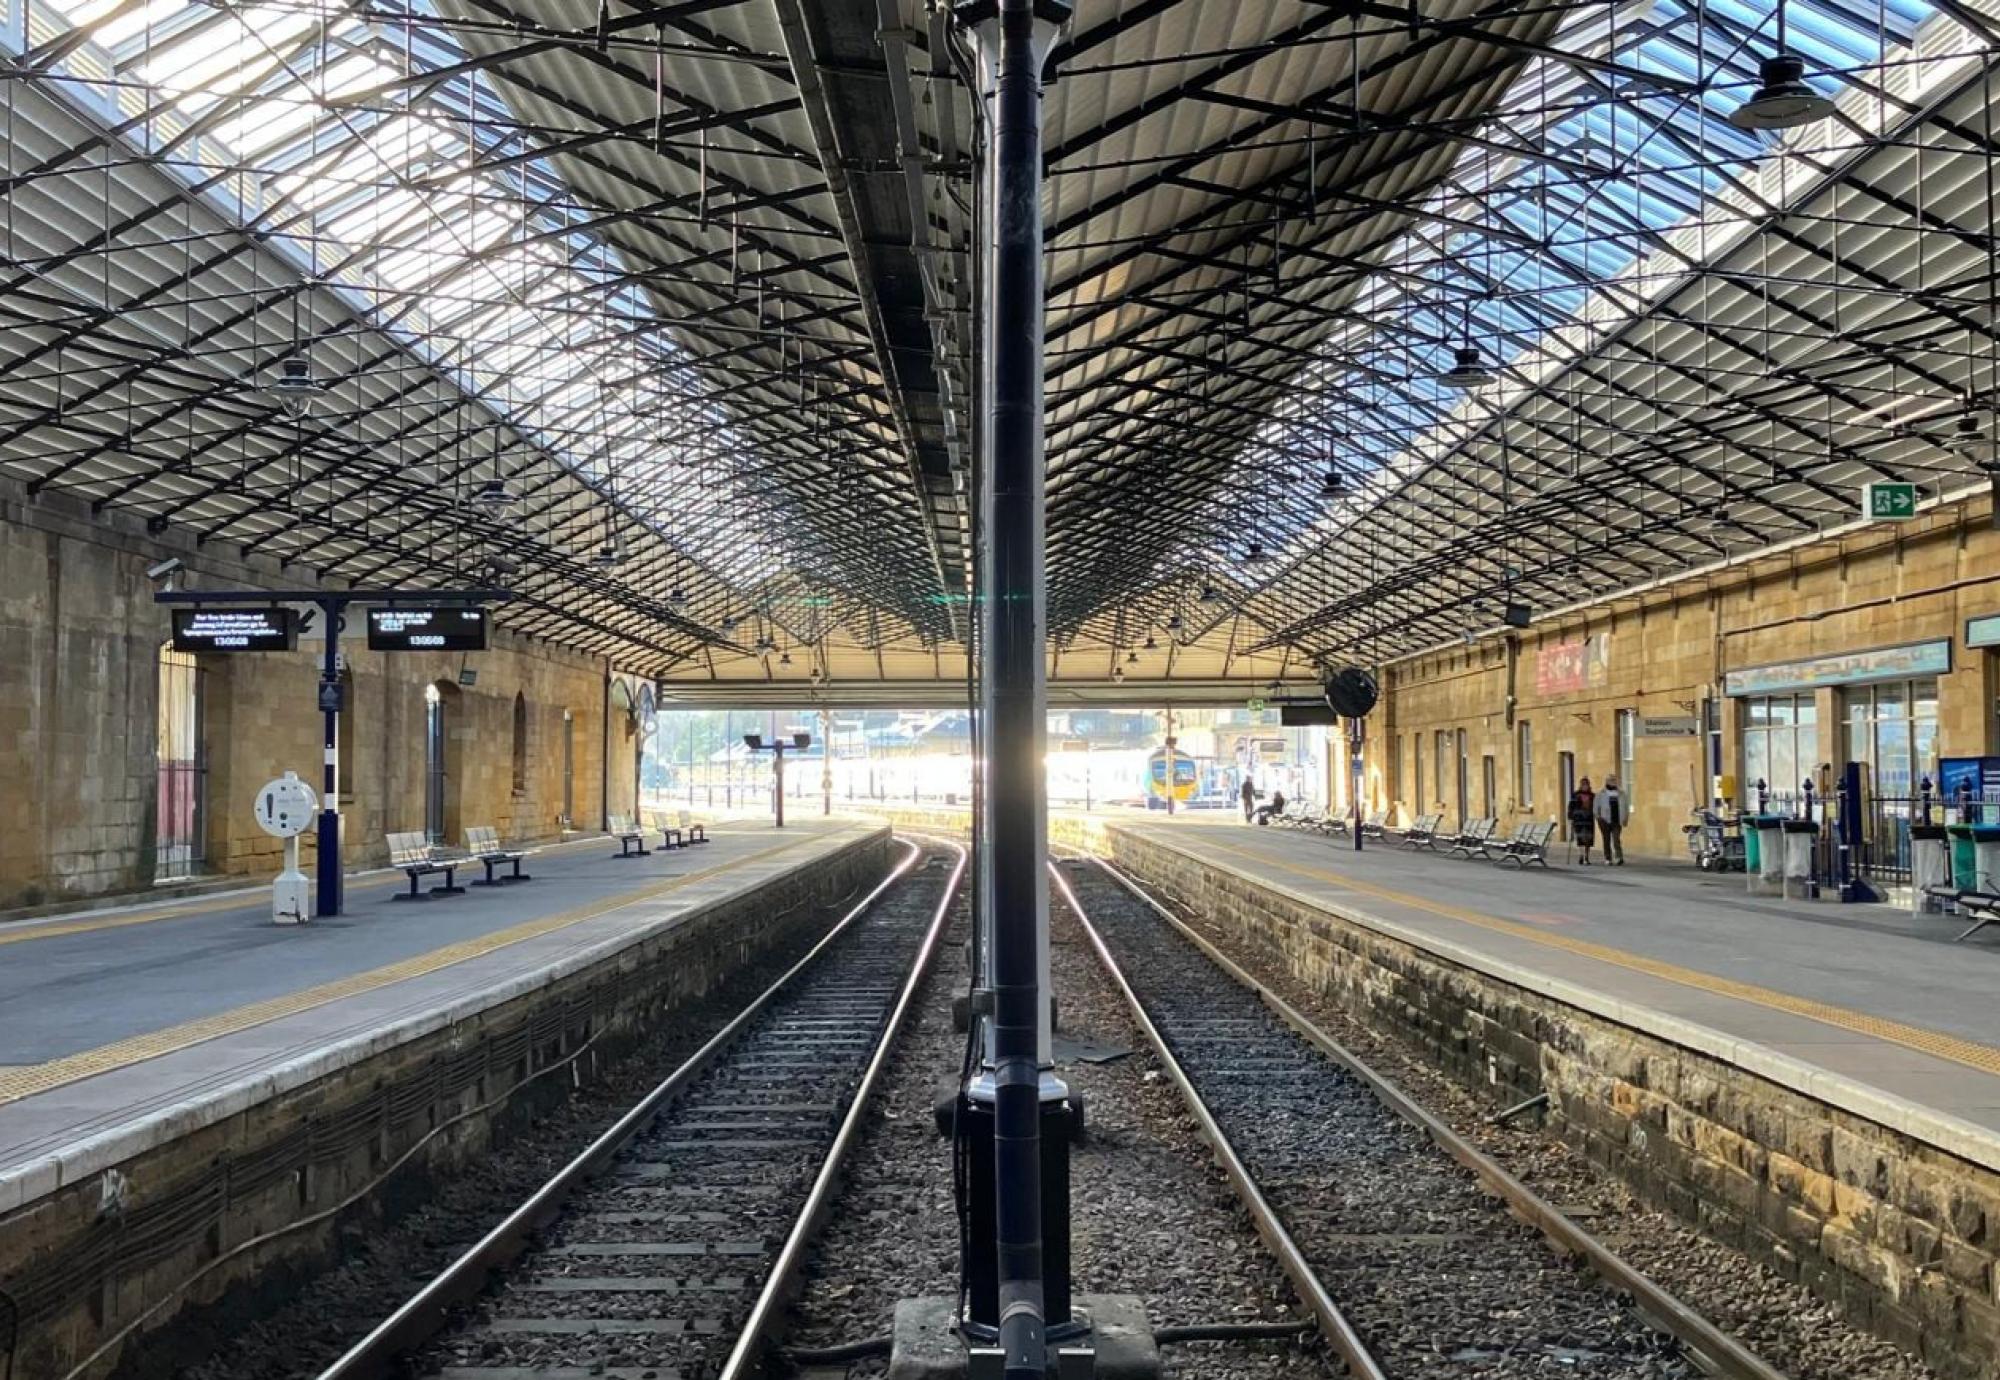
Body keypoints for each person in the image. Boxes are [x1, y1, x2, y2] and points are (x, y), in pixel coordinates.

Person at [1595, 775, 1627, 865]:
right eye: (1611, 780)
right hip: (1604, 820)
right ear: (1607, 782)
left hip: (1617, 820)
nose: (1613, 782)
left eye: (1614, 780)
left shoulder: (1621, 794)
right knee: (1606, 839)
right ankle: (1608, 857)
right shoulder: (1601, 793)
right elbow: (1596, 806)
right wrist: (1598, 817)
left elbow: (1625, 807)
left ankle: (1619, 856)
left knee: (1616, 839)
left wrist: (1625, 818)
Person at [1567, 777, 1597, 865]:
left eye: (1586, 784)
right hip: (1578, 819)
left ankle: (1586, 857)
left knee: (1588, 838)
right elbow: (1571, 806)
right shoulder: (1575, 795)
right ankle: (1581, 855)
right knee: (1580, 838)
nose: (1585, 786)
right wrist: (1570, 816)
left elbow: (1595, 807)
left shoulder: (1592, 795)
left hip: (1589, 819)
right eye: (1583, 784)